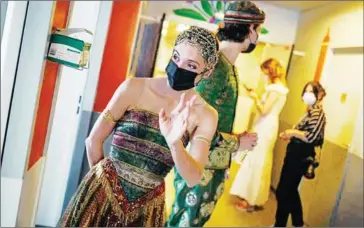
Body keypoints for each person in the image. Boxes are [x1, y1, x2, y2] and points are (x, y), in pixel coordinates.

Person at [58, 26, 221, 227]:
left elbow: (193, 178)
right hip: (100, 195)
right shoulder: (134, 87)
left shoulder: (206, 115)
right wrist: (105, 190)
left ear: (207, 71)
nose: (179, 67)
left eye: (191, 65)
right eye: (176, 57)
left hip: (147, 210)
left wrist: (174, 143)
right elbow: (93, 140)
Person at [167, 1, 266, 227]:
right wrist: (236, 142)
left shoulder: (227, 65)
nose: (257, 36)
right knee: (185, 222)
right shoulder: (217, 68)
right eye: (258, 30)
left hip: (211, 164)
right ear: (250, 30)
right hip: (200, 164)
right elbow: (191, 124)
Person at [230, 58, 289, 212]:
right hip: (267, 126)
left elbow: (264, 110)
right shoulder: (279, 88)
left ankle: (251, 200)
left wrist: (255, 96)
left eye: (264, 72)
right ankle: (249, 196)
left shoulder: (275, 90)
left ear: (270, 71)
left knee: (257, 161)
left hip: (266, 126)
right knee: (257, 159)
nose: (263, 76)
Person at [273, 81, 326, 227]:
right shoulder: (309, 111)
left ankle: (283, 224)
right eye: (306, 91)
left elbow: (311, 136)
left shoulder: (318, 112)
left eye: (311, 91)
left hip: (301, 156)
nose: (307, 94)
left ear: (319, 94)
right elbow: (301, 132)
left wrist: (293, 132)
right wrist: (290, 134)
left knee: (284, 191)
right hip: (294, 153)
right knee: (289, 191)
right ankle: (296, 224)